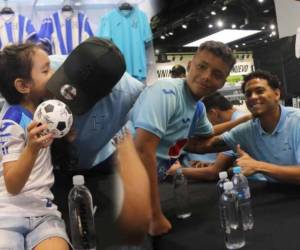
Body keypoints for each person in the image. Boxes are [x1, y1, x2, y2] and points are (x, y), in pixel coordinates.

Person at [130, 40, 254, 236]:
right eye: (202, 67)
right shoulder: (167, 92)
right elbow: (142, 150)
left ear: (222, 83)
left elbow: (208, 134)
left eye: (217, 74)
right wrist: (154, 215)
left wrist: (246, 120)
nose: (206, 77)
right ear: (190, 66)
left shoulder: (197, 107)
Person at [47, 37, 151, 247]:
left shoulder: (132, 95)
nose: (67, 97)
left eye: (78, 100)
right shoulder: (41, 69)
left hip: (93, 166)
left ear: (107, 94)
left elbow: (143, 143)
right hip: (48, 169)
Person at [0, 44, 70, 249]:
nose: (54, 73)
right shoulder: (12, 122)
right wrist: (31, 148)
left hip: (44, 214)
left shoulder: (47, 111)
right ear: (23, 86)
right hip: (7, 216)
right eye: (46, 70)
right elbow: (12, 185)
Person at [186, 70, 300, 184]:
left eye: (260, 91)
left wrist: (258, 166)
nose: (253, 97)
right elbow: (201, 146)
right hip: (275, 193)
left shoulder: (296, 121)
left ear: (277, 94)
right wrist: (172, 136)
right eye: (248, 94)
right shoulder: (246, 131)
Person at [167, 92, 248, 180]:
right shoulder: (238, 119)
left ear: (213, 113)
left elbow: (214, 172)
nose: (202, 124)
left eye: (203, 120)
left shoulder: (237, 128)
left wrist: (177, 171)